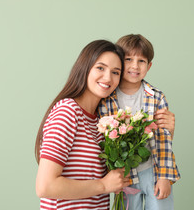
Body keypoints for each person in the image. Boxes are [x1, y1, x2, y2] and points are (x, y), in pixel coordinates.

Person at [35, 40, 131, 210]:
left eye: (115, 72)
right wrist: (103, 185)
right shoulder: (68, 111)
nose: (108, 78)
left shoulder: (102, 122)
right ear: (85, 68)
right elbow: (45, 186)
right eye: (100, 68)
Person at [98, 34, 180, 210]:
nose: (135, 66)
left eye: (141, 61)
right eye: (128, 59)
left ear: (149, 66)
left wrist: (165, 176)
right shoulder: (107, 99)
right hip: (125, 174)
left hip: (154, 171)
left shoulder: (156, 97)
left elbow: (164, 139)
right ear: (119, 62)